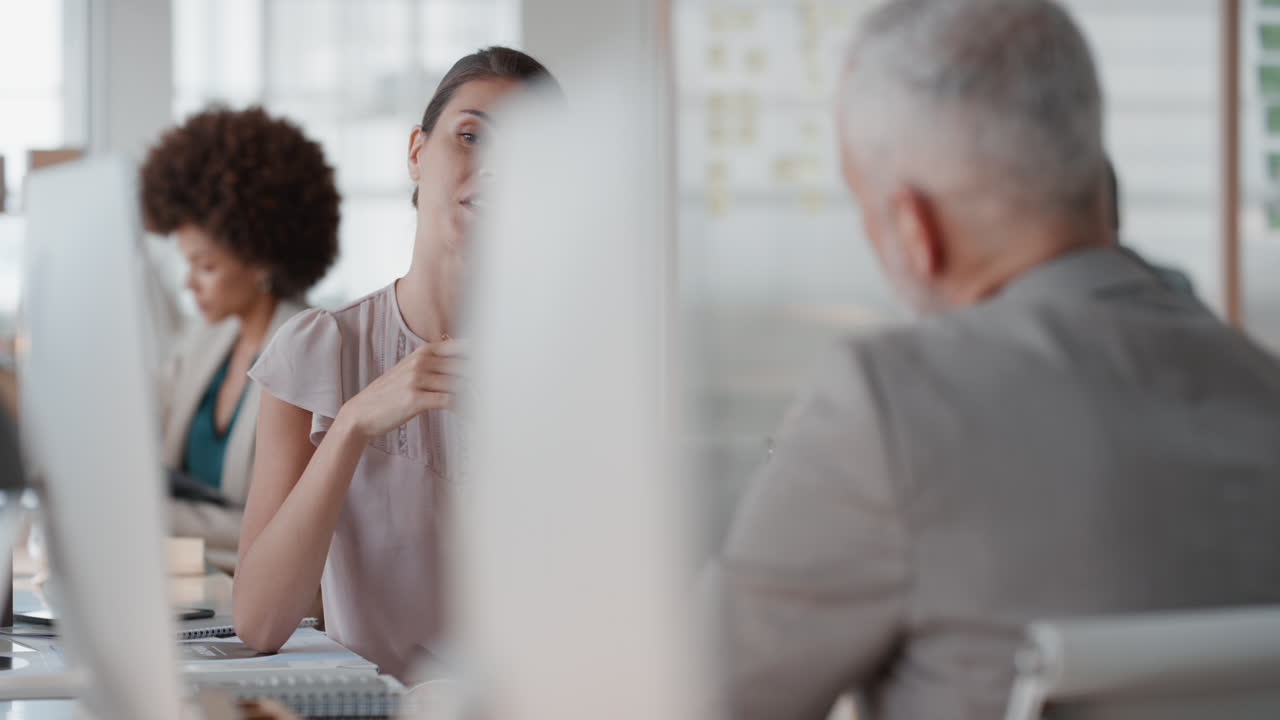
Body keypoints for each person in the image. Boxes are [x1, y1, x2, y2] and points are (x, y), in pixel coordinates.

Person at [701, 1, 1280, 718]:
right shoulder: (1265, 388)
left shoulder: (888, 409)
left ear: (915, 229)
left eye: (865, 206)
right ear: (1094, 177)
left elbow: (682, 698)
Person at [232, 47, 560, 680]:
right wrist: (354, 422)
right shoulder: (319, 350)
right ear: (417, 151)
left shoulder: (570, 369)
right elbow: (260, 621)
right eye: (471, 137)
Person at [139, 107, 340, 572]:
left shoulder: (309, 346)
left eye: (205, 266)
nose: (190, 284)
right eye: (187, 264)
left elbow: (281, 526)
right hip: (191, 586)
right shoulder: (204, 341)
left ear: (260, 259)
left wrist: (157, 519)